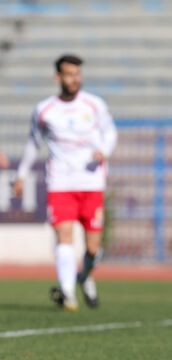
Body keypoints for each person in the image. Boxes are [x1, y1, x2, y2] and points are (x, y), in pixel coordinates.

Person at [14, 54, 117, 311]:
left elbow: (111, 132)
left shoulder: (94, 105)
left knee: (93, 247)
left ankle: (85, 277)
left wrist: (104, 150)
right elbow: (33, 143)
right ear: (57, 77)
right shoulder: (45, 109)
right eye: (69, 74)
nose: (75, 79)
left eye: (77, 74)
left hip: (91, 183)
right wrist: (21, 174)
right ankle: (68, 293)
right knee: (64, 235)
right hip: (59, 183)